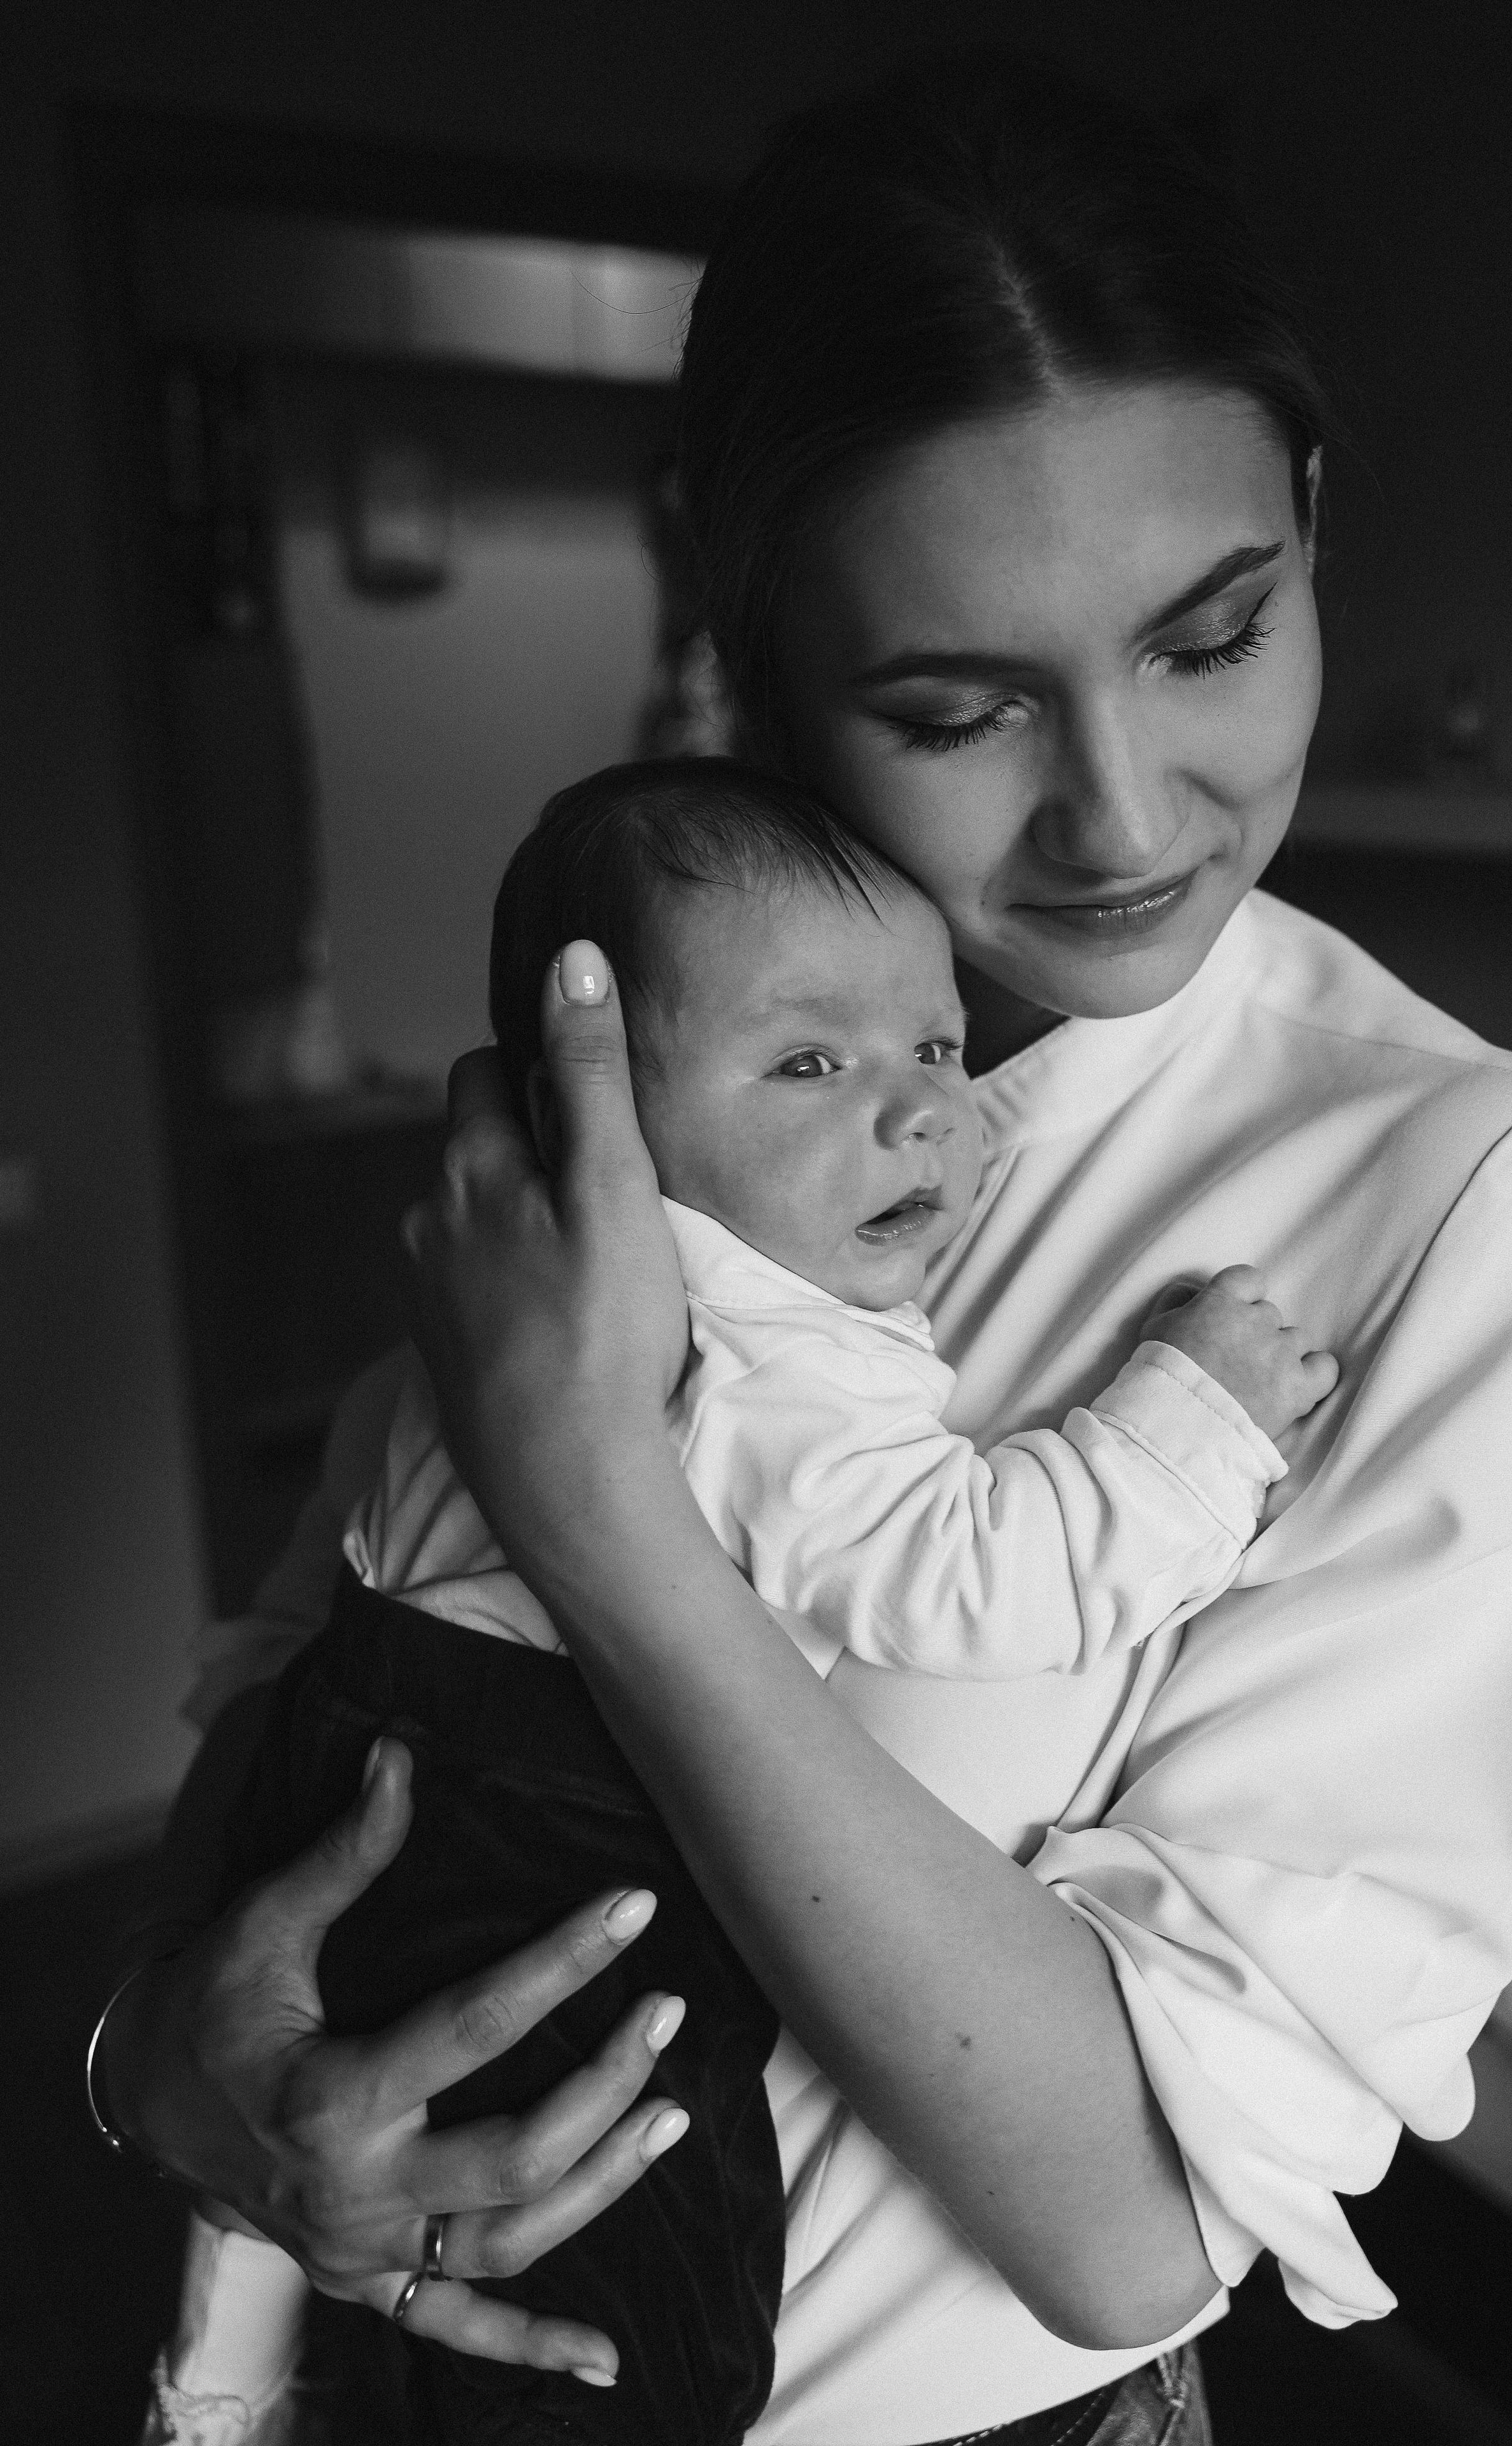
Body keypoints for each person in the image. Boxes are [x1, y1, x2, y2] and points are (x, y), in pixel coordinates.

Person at [96, 55, 1512, 2446]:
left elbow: (1127, 2222)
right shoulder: (618, 1075)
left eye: (1214, 635)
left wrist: (611, 1512)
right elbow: (318, 1695)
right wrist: (171, 2071)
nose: (1125, 814)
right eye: (953, 705)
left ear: (1312, 526)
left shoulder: (1484, 1194)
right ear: (756, 654)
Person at [147, 755, 1330, 2445]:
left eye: (938, 1047)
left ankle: (216, 2386)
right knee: (620, 2291)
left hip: (347, 1744)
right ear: (596, 1112)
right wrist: (1189, 1420)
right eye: (807, 1062)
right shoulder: (751, 1334)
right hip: (521, 1836)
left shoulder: (486, 1314)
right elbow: (971, 1575)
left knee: (317, 2123)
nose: (920, 1108)